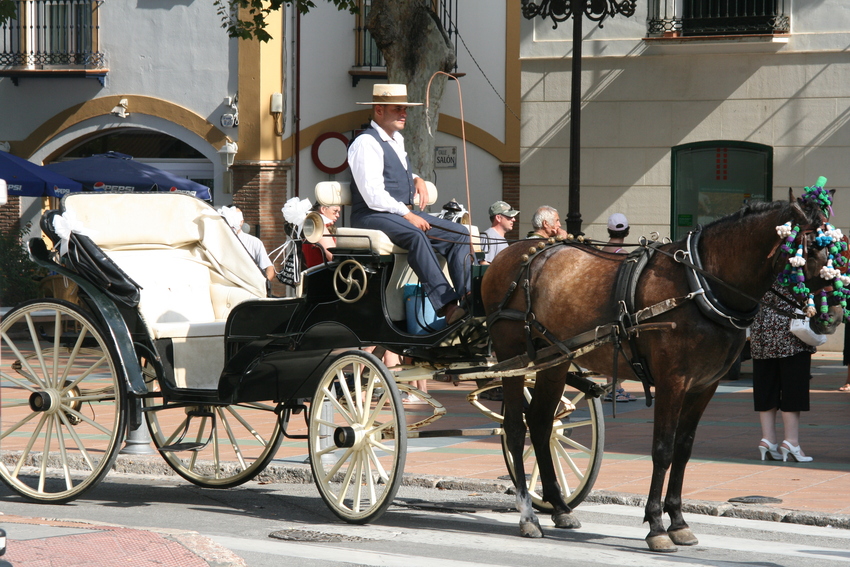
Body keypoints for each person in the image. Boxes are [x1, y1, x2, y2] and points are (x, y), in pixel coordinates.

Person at [347, 84, 472, 326]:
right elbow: (373, 194)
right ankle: (447, 306)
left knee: (458, 233)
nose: (404, 113)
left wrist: (417, 179)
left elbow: (396, 173)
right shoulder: (365, 143)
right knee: (416, 234)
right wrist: (407, 214)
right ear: (379, 110)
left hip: (394, 213)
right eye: (398, 109)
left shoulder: (396, 139)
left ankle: (469, 298)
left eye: (405, 109)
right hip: (370, 214)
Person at [751, 282, 816, 462]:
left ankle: (768, 440)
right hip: (792, 331)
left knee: (766, 385)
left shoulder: (761, 261)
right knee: (793, 387)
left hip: (761, 329)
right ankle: (791, 442)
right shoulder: (796, 261)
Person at [220, 206, 274, 281]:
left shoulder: (254, 242)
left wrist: (264, 285)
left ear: (242, 221)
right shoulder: (218, 241)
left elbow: (269, 268)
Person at [302, 202, 340, 268]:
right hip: (324, 274)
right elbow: (334, 257)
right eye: (335, 211)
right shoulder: (319, 227)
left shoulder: (312, 225)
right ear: (323, 209)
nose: (338, 215)